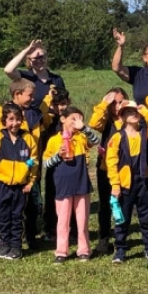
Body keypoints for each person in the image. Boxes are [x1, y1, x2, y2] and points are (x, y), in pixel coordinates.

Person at [105, 89, 148, 264]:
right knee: (122, 218)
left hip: (142, 181)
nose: (133, 115)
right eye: (128, 112)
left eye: (135, 112)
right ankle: (120, 249)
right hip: (124, 184)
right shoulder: (117, 137)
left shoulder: (147, 133)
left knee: (146, 217)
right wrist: (115, 184)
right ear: (121, 117)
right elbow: (111, 162)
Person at [43, 107, 101, 263]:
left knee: (82, 220)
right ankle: (61, 251)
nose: (76, 123)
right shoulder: (54, 140)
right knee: (62, 220)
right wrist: (58, 156)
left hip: (81, 184)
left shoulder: (81, 137)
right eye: (73, 119)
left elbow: (95, 141)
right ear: (63, 119)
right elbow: (46, 164)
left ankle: (84, 250)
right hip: (62, 186)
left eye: (80, 120)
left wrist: (84, 128)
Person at [0, 103, 39, 260]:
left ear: (22, 120)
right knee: (3, 214)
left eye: (17, 119)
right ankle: (4, 243)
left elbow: (34, 161)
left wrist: (30, 182)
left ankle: (16, 246)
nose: (14, 123)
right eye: (10, 119)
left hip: (21, 186)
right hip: (2, 184)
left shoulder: (28, 138)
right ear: (4, 121)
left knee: (17, 216)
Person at [88, 87, 130, 255]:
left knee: (124, 204)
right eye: (114, 103)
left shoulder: (130, 120)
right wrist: (103, 104)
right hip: (105, 168)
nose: (117, 106)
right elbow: (93, 124)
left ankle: (122, 238)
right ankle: (104, 238)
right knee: (105, 205)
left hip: (125, 169)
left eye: (120, 102)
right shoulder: (106, 121)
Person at [41, 88, 71, 242]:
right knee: (51, 196)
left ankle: (71, 229)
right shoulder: (48, 120)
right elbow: (39, 113)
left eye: (63, 104)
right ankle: (50, 228)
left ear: (69, 103)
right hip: (53, 165)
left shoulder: (73, 120)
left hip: (71, 166)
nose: (60, 108)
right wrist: (48, 99)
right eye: (56, 104)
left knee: (71, 197)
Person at [4, 39, 66, 106]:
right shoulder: (25, 77)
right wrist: (26, 50)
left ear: (46, 57)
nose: (39, 61)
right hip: (31, 116)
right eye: (35, 58)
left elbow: (63, 102)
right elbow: (8, 70)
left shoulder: (57, 79)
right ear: (29, 60)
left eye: (41, 57)